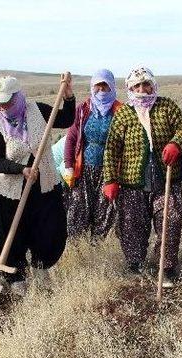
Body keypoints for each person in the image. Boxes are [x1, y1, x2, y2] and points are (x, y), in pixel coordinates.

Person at [103, 66, 182, 287]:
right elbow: (112, 149)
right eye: (136, 85)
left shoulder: (166, 106)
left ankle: (167, 268)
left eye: (146, 84)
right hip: (132, 183)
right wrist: (110, 180)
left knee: (170, 222)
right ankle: (136, 266)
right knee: (132, 225)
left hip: (166, 180)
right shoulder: (124, 113)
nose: (142, 89)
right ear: (130, 88)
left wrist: (175, 144)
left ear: (153, 84)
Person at [0, 75, 75, 295]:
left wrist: (68, 95)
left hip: (44, 187)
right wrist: (21, 169)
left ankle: (41, 268)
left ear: (18, 96)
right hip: (10, 193)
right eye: (0, 102)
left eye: (8, 100)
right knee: (13, 237)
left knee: (49, 230)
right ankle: (16, 278)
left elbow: (66, 120)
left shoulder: (38, 111)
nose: (4, 106)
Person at [63, 69, 121, 239]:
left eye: (105, 86)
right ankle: (77, 250)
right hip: (84, 170)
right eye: (98, 86)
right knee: (78, 212)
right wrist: (68, 166)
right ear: (92, 87)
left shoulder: (120, 111)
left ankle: (97, 249)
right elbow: (71, 138)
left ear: (112, 87)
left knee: (104, 214)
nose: (101, 90)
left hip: (109, 171)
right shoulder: (83, 109)